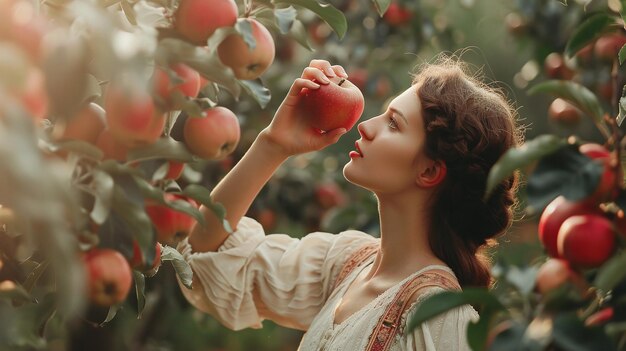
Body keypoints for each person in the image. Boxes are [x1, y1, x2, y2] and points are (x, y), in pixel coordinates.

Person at [176, 56, 522, 350]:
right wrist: (273, 144)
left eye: (393, 124)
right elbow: (209, 257)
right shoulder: (346, 265)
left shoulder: (437, 316)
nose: (366, 127)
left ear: (430, 170)